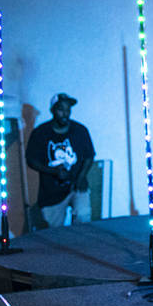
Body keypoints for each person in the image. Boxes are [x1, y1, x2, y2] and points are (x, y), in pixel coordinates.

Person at [25, 93, 95, 228]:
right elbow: (31, 160)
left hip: (77, 186)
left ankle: (81, 246)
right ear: (52, 110)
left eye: (68, 110)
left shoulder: (80, 130)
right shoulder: (40, 133)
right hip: (51, 191)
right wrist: (53, 171)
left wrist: (81, 177)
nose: (65, 113)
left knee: (83, 217)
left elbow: (89, 156)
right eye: (61, 109)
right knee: (53, 230)